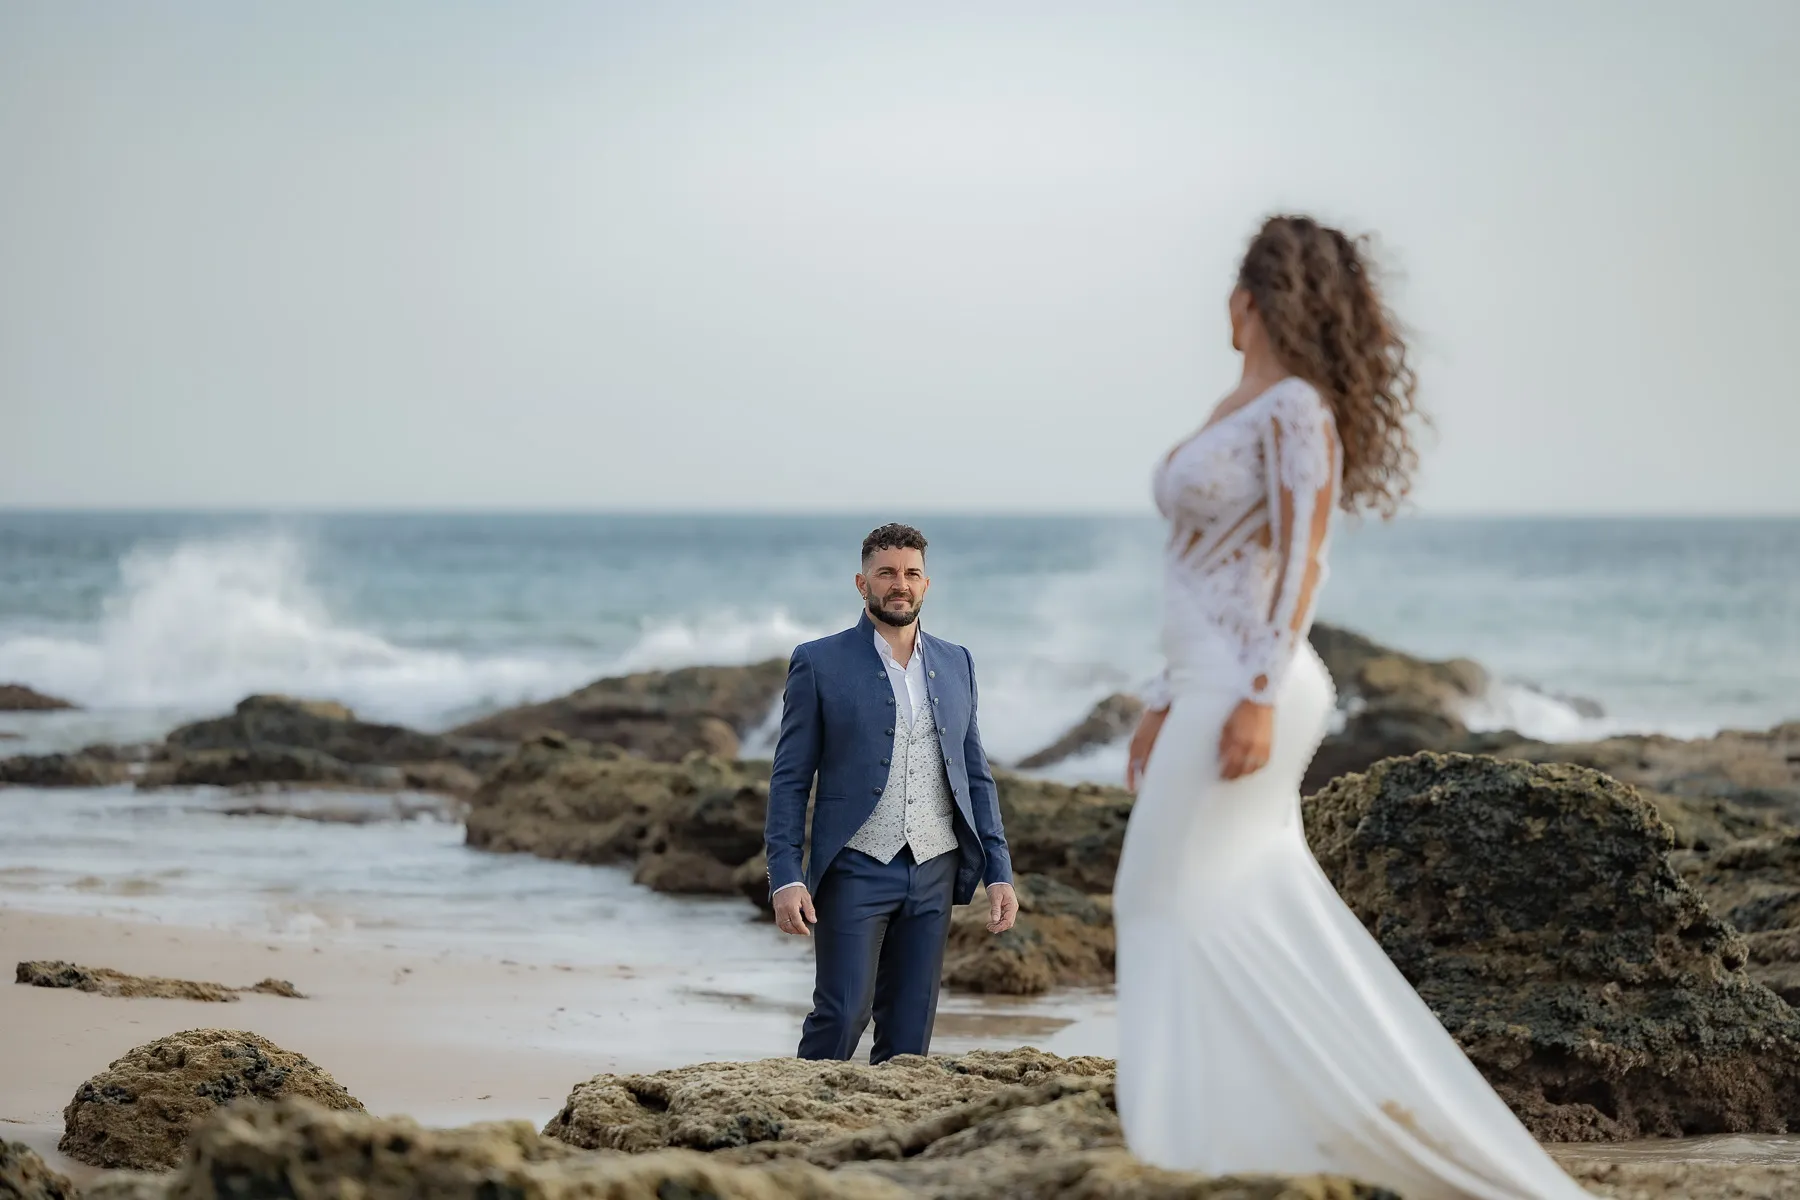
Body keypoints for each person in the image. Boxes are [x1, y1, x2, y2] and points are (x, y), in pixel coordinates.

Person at [1116, 215, 1592, 1197]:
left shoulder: (1296, 411)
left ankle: (1187, 1145)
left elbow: (1303, 562)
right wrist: (1162, 697)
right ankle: (1235, 1134)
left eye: (1234, 288)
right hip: (1203, 683)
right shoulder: (1235, 404)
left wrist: (1250, 697)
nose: (1225, 305)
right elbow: (1197, 572)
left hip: (1255, 686)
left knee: (1164, 900)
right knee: (1233, 908)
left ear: (1256, 298)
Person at [765, 522, 1019, 1063]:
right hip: (855, 865)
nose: (898, 583)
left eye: (910, 573)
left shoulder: (958, 662)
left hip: (936, 866)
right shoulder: (819, 662)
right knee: (843, 1011)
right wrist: (785, 874)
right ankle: (797, 1125)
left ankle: (881, 1142)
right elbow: (790, 778)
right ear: (862, 584)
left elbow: (975, 774)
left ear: (926, 584)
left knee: (910, 1030)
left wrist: (999, 869)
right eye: (886, 573)